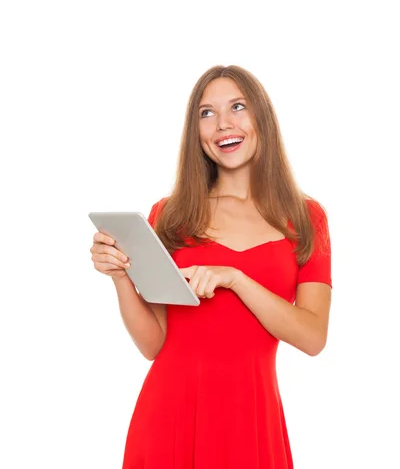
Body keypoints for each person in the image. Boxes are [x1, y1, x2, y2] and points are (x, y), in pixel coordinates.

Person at [90, 64, 332, 468]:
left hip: (252, 420)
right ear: (195, 132)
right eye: (206, 113)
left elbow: (312, 337)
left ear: (261, 118)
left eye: (237, 107)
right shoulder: (169, 216)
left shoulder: (306, 218)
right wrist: (121, 277)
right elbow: (153, 344)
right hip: (170, 417)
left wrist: (236, 279)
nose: (223, 124)